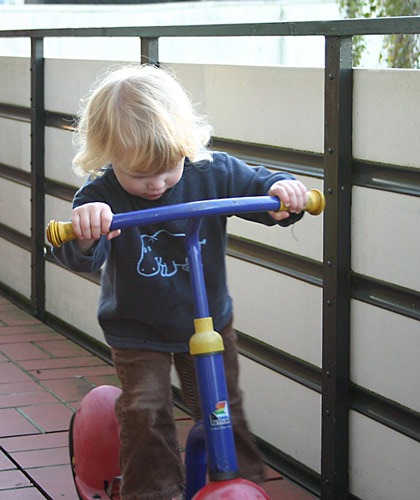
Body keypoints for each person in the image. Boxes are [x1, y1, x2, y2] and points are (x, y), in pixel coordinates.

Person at [52, 64, 308, 500]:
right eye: (138, 175)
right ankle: (151, 493)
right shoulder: (102, 195)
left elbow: (259, 187)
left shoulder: (209, 171)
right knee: (147, 412)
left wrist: (283, 192)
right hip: (138, 328)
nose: (155, 184)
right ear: (109, 156)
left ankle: (239, 484)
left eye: (167, 169)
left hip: (208, 322)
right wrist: (86, 230)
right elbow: (78, 254)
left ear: (184, 144)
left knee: (223, 410)